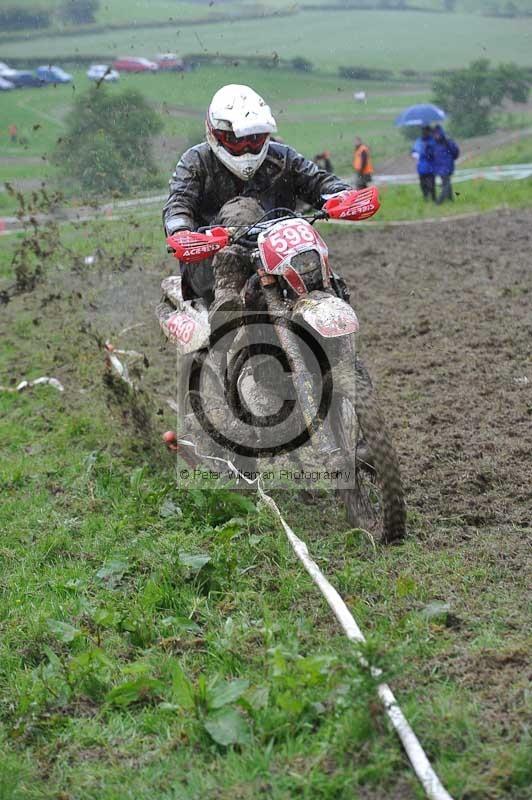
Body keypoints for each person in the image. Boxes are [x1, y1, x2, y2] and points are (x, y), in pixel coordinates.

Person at [163, 84, 352, 332]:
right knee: (241, 209)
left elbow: (317, 180)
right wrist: (181, 232)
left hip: (280, 256)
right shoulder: (196, 162)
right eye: (237, 141)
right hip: (207, 263)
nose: (247, 149)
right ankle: (227, 301)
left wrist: (344, 196)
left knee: (331, 281)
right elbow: (178, 202)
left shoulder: (282, 157)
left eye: (255, 139)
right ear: (216, 134)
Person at [432, 125, 460, 204]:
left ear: (441, 133)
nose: (436, 136)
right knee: (446, 183)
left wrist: (451, 158)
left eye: (437, 134)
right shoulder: (434, 144)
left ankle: (444, 201)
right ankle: (445, 200)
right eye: (434, 134)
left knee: (446, 184)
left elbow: (455, 152)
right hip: (439, 167)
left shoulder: (448, 142)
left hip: (447, 166)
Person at [412, 126, 435, 202]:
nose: (424, 133)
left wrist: (427, 149)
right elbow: (413, 150)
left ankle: (433, 200)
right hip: (421, 168)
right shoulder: (419, 141)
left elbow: (433, 153)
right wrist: (415, 154)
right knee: (423, 185)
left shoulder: (432, 141)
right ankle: (426, 200)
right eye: (423, 131)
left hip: (430, 168)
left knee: (431, 185)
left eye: (426, 131)